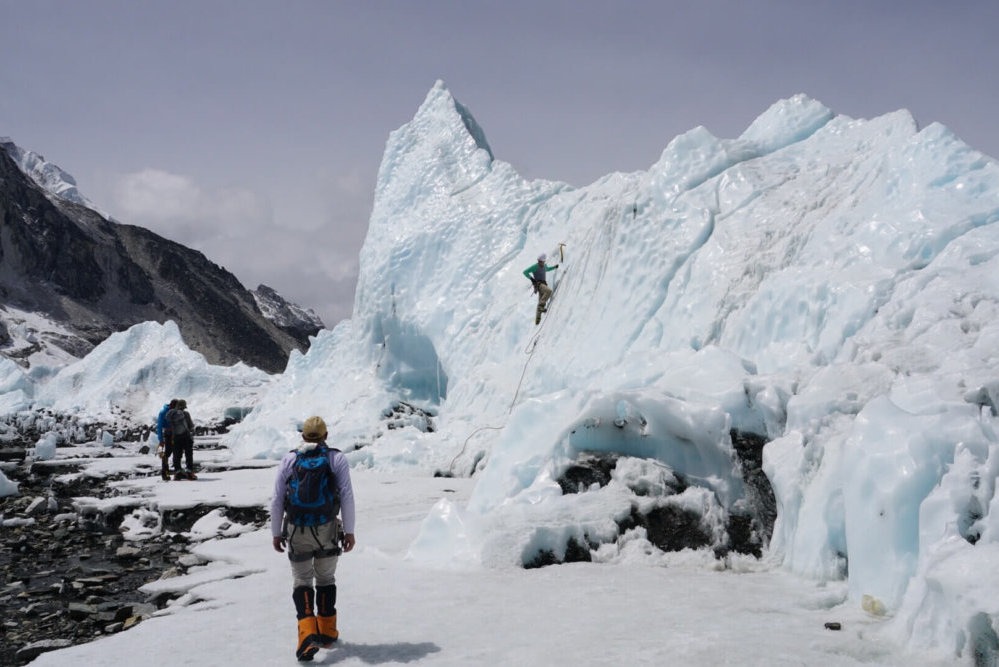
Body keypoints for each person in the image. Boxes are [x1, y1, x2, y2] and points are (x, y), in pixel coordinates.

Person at [271, 415, 356, 662]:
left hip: (297, 529)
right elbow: (347, 496)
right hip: (327, 528)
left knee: (302, 580)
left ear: (303, 436)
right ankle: (327, 633)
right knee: (326, 578)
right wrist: (349, 531)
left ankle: (307, 634)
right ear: (326, 436)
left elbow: (277, 499)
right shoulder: (335, 458)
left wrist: (276, 532)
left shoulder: (290, 459)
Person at [523, 252, 559, 325]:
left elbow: (547, 269)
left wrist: (554, 267)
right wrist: (532, 279)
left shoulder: (544, 266)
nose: (540, 262)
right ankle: (540, 307)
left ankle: (537, 322)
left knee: (540, 300)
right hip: (539, 284)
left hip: (543, 284)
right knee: (548, 291)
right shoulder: (535, 266)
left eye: (541, 261)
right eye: (539, 261)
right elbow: (525, 272)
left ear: (544, 261)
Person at [166, 399, 197, 480]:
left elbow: (168, 425)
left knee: (176, 455)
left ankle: (177, 472)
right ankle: (189, 472)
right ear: (184, 407)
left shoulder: (171, 414)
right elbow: (190, 426)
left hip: (176, 437)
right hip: (186, 437)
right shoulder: (186, 414)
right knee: (188, 454)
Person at [156, 399, 177, 481]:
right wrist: (161, 440)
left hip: (175, 434)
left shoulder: (176, 412)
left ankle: (176, 472)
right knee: (167, 453)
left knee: (176, 452)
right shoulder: (163, 413)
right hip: (168, 434)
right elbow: (159, 427)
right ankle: (165, 472)